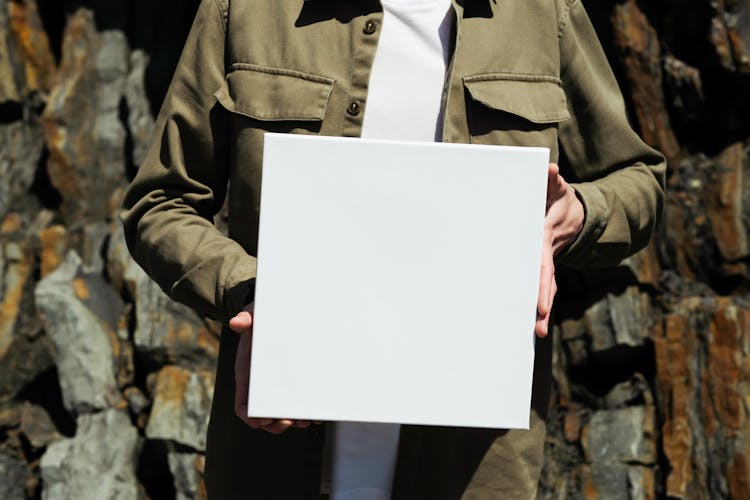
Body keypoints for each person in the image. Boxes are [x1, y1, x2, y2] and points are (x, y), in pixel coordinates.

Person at [121, 0, 665, 498]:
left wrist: (574, 216)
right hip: (275, 462)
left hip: (470, 472)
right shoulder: (246, 10)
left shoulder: (544, 14)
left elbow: (637, 182)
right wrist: (255, 293)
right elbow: (160, 203)